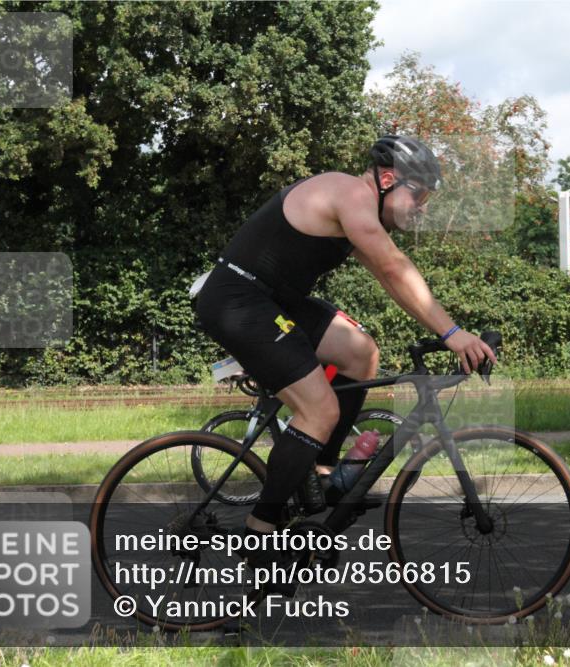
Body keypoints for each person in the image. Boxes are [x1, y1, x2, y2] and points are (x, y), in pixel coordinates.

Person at [194, 135, 497, 562]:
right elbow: (395, 267)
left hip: (275, 302)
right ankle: (258, 532)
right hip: (239, 301)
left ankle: (322, 474)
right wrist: (453, 334)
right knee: (319, 410)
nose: (422, 208)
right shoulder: (350, 193)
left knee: (361, 353)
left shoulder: (359, 213)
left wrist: (448, 329)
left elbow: (392, 277)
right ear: (389, 179)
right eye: (419, 195)